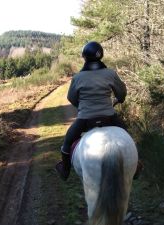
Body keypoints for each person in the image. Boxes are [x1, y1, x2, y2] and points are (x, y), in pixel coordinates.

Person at [55, 41, 132, 181]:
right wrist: (118, 100)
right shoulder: (110, 73)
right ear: (101, 55)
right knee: (129, 139)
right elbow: (121, 94)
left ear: (84, 57)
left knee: (67, 142)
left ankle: (65, 170)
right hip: (110, 117)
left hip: (85, 119)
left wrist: (82, 107)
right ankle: (136, 165)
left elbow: (71, 98)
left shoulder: (77, 77)